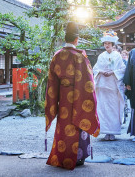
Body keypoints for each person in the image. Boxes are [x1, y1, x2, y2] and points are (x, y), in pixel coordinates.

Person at [45, 22, 100, 170]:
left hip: (63, 97)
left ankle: (61, 156)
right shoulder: (80, 57)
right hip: (78, 97)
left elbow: (51, 83)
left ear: (66, 38)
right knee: (78, 121)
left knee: (63, 125)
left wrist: (53, 102)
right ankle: (78, 158)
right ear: (76, 39)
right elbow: (88, 83)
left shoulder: (57, 56)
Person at [93, 31, 126, 141]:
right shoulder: (101, 56)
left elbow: (122, 69)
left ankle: (113, 132)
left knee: (113, 109)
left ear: (113, 44)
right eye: (105, 43)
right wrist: (101, 72)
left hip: (112, 85)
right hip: (103, 86)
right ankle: (105, 131)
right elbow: (95, 69)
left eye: (109, 43)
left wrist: (112, 72)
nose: (107, 45)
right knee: (103, 109)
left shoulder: (117, 56)